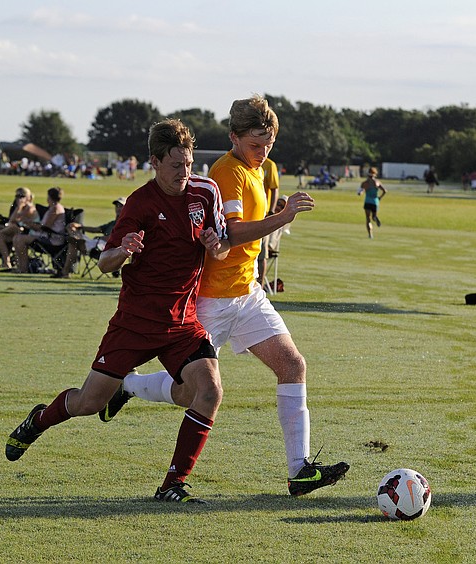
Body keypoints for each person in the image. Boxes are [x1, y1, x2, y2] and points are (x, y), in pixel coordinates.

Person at [106, 95, 349, 497]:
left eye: (269, 143)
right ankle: (128, 386)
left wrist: (273, 223)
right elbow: (231, 234)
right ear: (234, 138)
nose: (263, 151)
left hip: (246, 293)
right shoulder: (226, 172)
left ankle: (299, 470)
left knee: (293, 365)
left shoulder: (263, 168)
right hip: (211, 299)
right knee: (189, 392)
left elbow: (252, 229)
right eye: (256, 144)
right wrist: (281, 217)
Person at [4, 118, 230, 504]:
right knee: (88, 403)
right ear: (155, 162)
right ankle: (38, 419)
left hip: (182, 323)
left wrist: (216, 244)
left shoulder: (206, 193)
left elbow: (222, 248)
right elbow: (106, 263)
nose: (184, 173)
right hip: (135, 324)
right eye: (176, 165)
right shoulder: (139, 204)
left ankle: (172, 484)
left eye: (189, 164)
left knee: (208, 392)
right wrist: (123, 249)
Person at [55, 196, 125, 278]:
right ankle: (66, 271)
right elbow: (96, 229)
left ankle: (65, 272)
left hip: (105, 248)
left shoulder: (125, 223)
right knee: (73, 238)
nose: (118, 208)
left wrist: (101, 238)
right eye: (117, 206)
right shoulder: (112, 223)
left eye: (121, 206)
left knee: (74, 242)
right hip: (97, 244)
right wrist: (80, 227)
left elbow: (119, 239)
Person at [12, 186, 66, 274]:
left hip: (52, 240)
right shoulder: (52, 208)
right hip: (46, 237)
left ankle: (24, 268)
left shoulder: (55, 209)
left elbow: (45, 228)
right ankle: (21, 266)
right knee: (16, 238)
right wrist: (30, 223)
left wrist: (31, 224)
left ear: (50, 197)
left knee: (20, 239)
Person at [0, 187, 38, 270]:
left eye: (22, 196)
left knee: (1, 233)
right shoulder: (19, 207)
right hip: (19, 231)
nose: (18, 199)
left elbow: (16, 221)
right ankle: (6, 262)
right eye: (17, 196)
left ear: (28, 197)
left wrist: (19, 207)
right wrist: (18, 207)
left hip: (30, 233)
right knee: (1, 235)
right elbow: (12, 220)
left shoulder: (30, 208)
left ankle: (9, 263)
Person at [257, 157, 280, 284]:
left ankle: (259, 286)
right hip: (246, 216)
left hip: (262, 215)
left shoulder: (269, 165)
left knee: (262, 255)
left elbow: (274, 188)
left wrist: (271, 211)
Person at [357, 167, 387, 239]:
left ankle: (370, 234)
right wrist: (379, 198)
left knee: (368, 218)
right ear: (375, 174)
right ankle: (375, 218)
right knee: (373, 217)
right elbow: (385, 191)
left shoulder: (364, 183)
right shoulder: (377, 182)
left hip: (367, 201)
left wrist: (360, 193)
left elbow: (360, 191)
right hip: (375, 202)